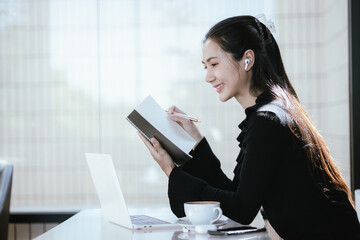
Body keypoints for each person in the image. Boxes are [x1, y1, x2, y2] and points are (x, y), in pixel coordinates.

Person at [137, 15, 360, 239]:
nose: (208, 77)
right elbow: (238, 196)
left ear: (247, 60)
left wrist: (170, 171)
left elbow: (242, 209)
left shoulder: (268, 120)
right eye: (205, 66)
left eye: (214, 64)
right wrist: (196, 140)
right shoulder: (272, 112)